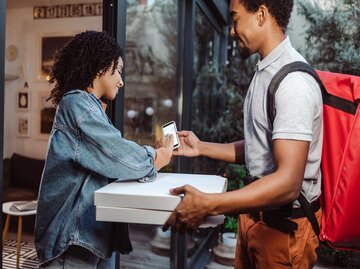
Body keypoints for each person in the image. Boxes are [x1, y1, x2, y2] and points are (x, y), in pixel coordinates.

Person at [163, 0, 323, 268]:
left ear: (261, 14)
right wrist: (201, 147)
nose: (232, 31)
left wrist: (209, 204)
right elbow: (259, 148)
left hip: (283, 233)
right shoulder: (265, 71)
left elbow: (288, 182)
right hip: (255, 221)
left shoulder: (293, 83)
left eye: (235, 19)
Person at [35, 30, 174, 268]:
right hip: (72, 241)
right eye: (118, 70)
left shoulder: (89, 107)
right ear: (100, 67)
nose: (121, 80)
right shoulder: (77, 103)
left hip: (91, 236)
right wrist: (156, 158)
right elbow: (115, 154)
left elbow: (109, 161)